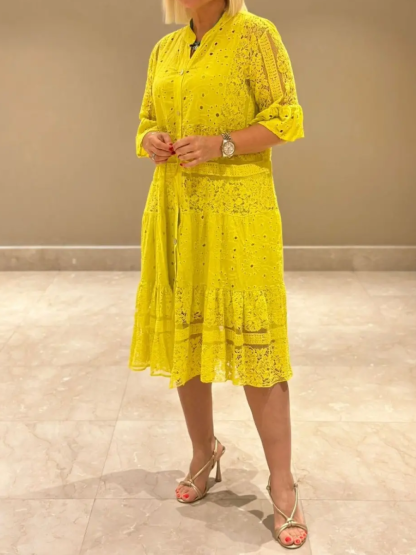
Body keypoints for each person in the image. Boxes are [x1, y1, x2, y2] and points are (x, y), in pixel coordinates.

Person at [129, 0, 307, 548]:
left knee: (258, 350)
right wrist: (151, 139)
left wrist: (220, 144)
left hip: (239, 214)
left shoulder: (256, 35)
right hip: (176, 210)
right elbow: (146, 120)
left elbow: (287, 118)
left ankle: (283, 483)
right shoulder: (165, 48)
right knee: (187, 340)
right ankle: (203, 453)